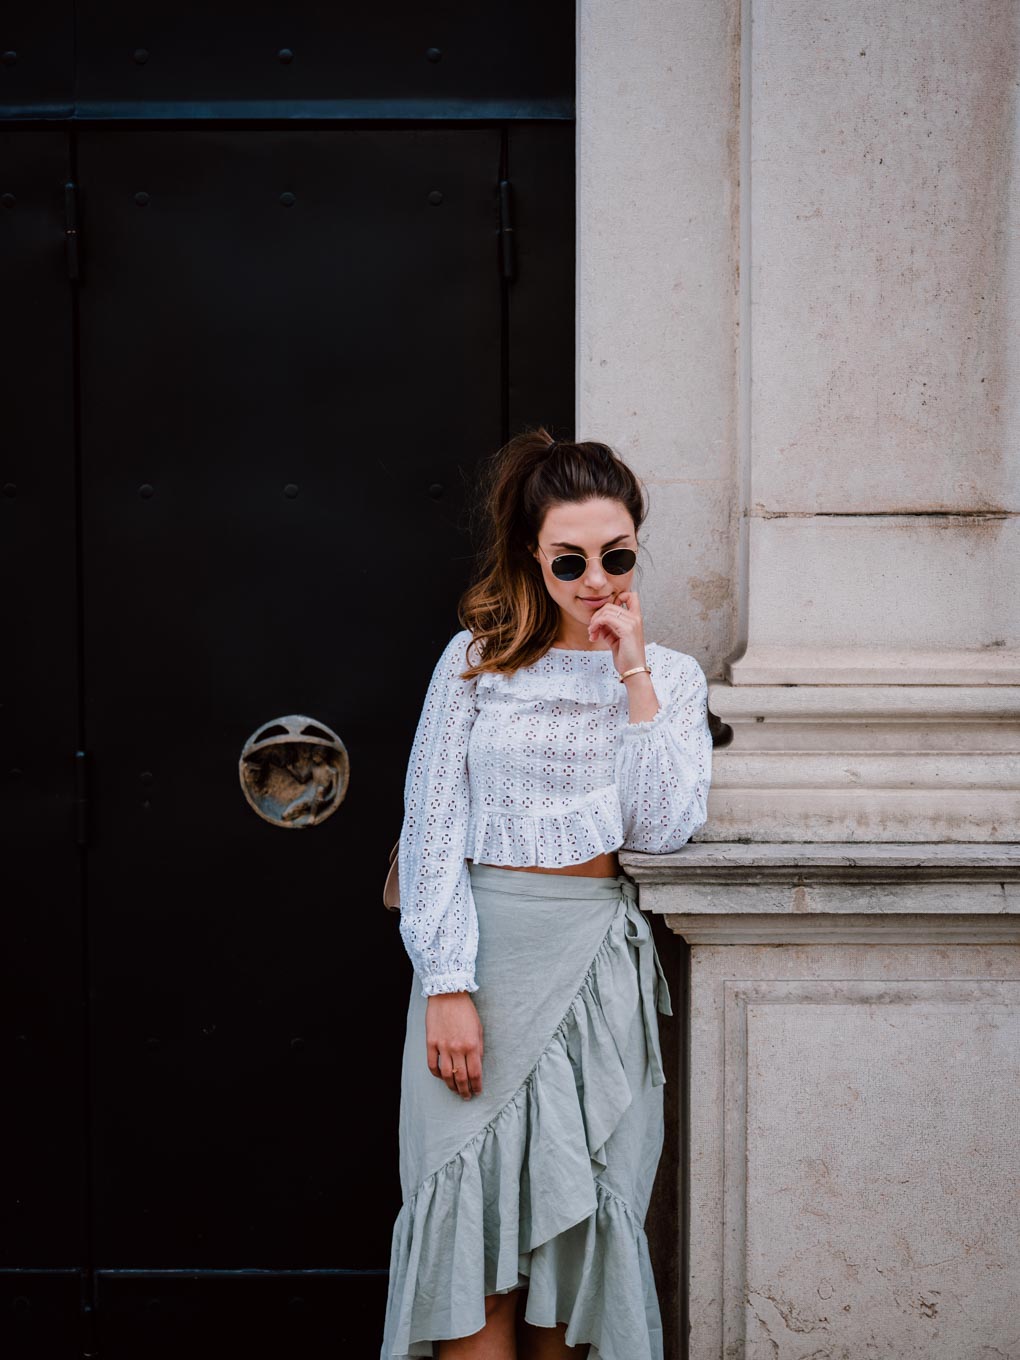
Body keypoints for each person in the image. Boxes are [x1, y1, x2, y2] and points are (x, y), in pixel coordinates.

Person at [380, 429, 713, 1360]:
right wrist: (447, 984)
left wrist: (633, 668)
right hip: (478, 965)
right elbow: (433, 826)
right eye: (571, 559)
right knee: (468, 1263)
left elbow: (662, 825)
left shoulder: (669, 680)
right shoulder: (474, 661)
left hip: (594, 975)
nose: (595, 578)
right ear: (534, 553)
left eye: (617, 556)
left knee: (576, 1266)